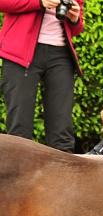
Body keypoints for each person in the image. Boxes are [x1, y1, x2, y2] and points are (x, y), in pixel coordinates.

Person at [0, 0, 84, 153]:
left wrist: (75, 19)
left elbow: (77, 28)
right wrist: (39, 2)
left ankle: (62, 176)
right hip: (20, 53)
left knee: (62, 133)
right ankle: (18, 175)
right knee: (19, 129)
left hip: (61, 55)